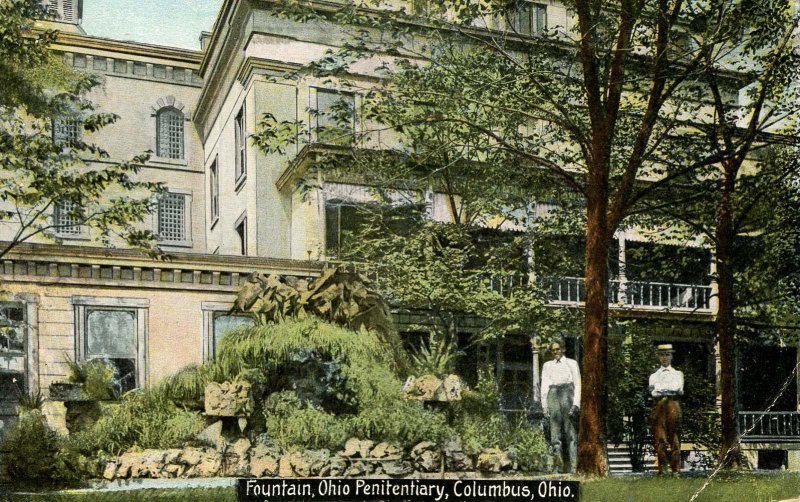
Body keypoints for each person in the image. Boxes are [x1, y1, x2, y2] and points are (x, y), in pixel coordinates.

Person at [540, 340, 581, 473]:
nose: (556, 352)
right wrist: (544, 405)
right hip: (552, 394)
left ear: (563, 349)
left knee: (570, 433)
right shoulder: (547, 365)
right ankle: (559, 466)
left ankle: (574, 467)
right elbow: (544, 385)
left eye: (558, 349)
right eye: (553, 350)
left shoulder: (571, 363)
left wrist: (576, 403)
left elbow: (578, 384)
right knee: (555, 433)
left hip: (567, 392)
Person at [649, 343, 684, 475]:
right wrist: (666, 388)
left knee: (674, 437)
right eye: (662, 355)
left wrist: (661, 387)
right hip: (659, 405)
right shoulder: (654, 375)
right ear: (658, 357)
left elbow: (678, 388)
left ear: (671, 356)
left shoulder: (677, 374)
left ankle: (676, 470)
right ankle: (662, 470)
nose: (665, 358)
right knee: (660, 438)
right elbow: (653, 392)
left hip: (673, 404)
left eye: (667, 355)